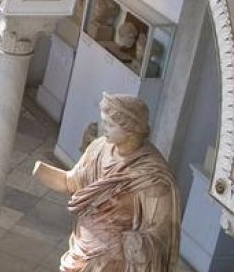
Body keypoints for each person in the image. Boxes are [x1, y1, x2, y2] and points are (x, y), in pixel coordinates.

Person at [32, 94, 179, 272]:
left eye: (110, 124)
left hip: (114, 258)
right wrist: (42, 171)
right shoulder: (99, 147)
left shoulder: (152, 177)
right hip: (83, 242)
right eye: (104, 122)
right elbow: (73, 182)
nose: (103, 128)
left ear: (130, 129)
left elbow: (160, 233)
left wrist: (127, 245)